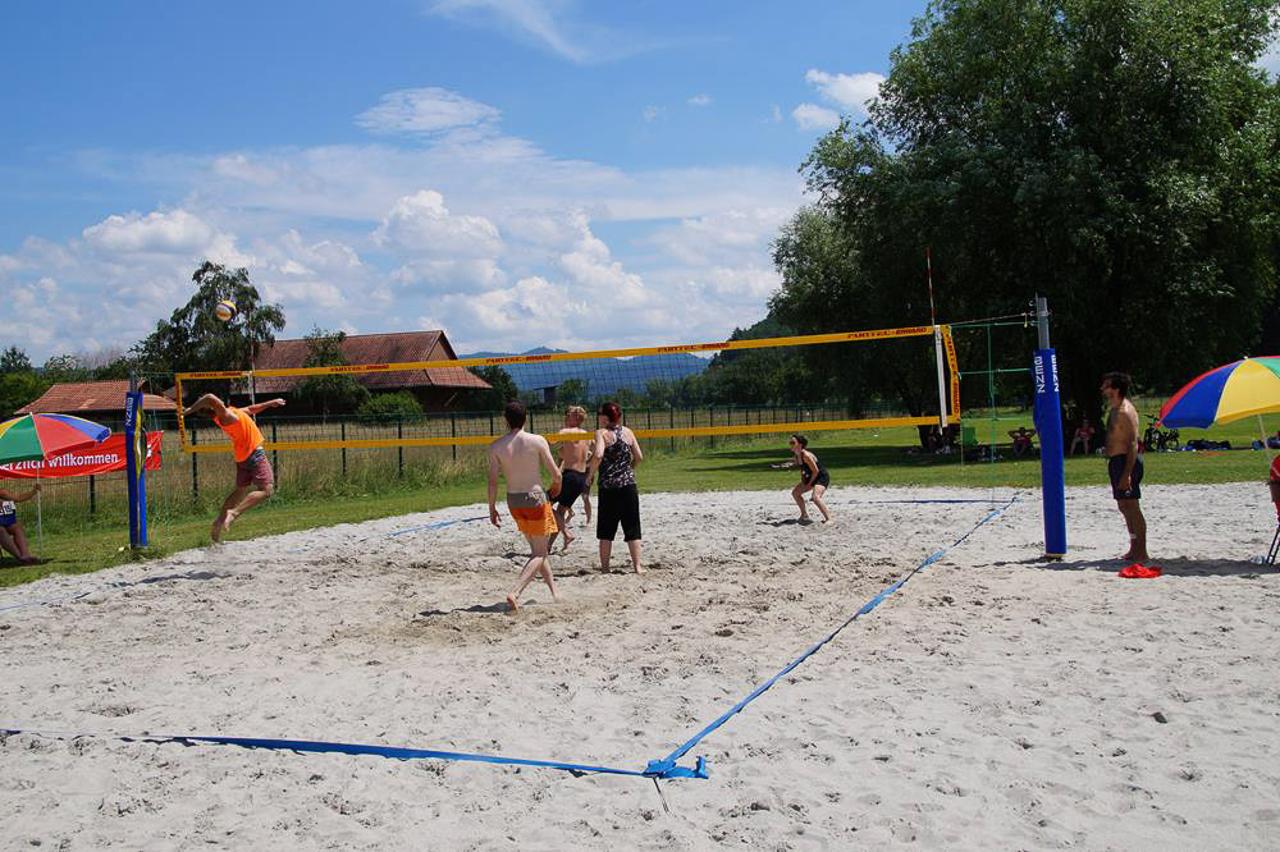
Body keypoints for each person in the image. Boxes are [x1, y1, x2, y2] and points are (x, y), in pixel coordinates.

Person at [488, 400, 563, 611]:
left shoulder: (496, 446)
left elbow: (492, 482)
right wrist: (556, 487)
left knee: (538, 549)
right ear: (526, 418)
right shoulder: (537, 441)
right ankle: (515, 592)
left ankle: (554, 592)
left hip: (514, 501)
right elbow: (556, 474)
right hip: (535, 498)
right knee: (539, 553)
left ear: (505, 420)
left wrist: (491, 508)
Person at [183, 393, 285, 542]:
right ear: (213, 407)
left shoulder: (230, 412)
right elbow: (210, 397)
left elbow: (250, 409)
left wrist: (270, 403)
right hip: (254, 454)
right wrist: (189, 410)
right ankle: (233, 513)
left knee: (239, 491)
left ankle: (219, 522)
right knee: (266, 490)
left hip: (243, 457)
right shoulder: (226, 416)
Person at [588, 401, 643, 573]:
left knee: (606, 529)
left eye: (599, 414)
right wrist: (629, 470)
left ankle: (605, 568)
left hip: (608, 486)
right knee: (632, 527)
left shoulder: (601, 433)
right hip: (628, 485)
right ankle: (637, 566)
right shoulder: (628, 432)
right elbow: (639, 457)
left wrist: (589, 475)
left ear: (605, 417)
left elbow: (598, 455)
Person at [1101, 371, 1148, 563]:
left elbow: (1133, 445)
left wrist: (1127, 474)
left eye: (1106, 385)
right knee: (1123, 506)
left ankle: (1142, 552)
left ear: (1116, 389)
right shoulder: (1113, 409)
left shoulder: (1125, 411)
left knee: (1132, 506)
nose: (1102, 388)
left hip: (1127, 462)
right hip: (1116, 461)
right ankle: (1133, 546)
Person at [549, 405, 592, 552]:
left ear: (577, 418)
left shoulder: (565, 432)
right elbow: (592, 454)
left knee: (544, 503)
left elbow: (550, 441)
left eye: (569, 414)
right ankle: (549, 545)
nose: (566, 416)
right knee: (560, 513)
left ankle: (567, 533)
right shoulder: (587, 435)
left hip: (570, 476)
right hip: (581, 478)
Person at [772, 434, 831, 523]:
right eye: (790, 442)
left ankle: (829, 519)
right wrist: (780, 466)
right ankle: (804, 515)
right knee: (795, 493)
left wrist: (809, 484)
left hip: (821, 476)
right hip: (811, 476)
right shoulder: (797, 455)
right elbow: (797, 464)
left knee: (815, 497)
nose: (790, 444)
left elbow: (816, 471)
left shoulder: (806, 455)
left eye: (793, 442)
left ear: (800, 444)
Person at [0, 484, 41, 564]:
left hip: (4, 521)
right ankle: (19, 557)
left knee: (16, 527)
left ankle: (25, 555)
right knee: (0, 530)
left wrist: (33, 492)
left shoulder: (2, 493)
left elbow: (18, 498)